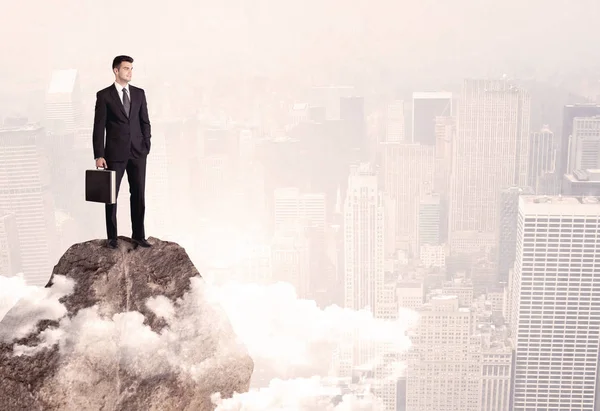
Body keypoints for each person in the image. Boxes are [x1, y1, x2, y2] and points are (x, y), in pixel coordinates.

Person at [92, 55, 152, 249]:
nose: (130, 72)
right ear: (116, 71)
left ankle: (139, 236)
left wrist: (146, 145)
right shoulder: (104, 96)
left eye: (132, 68)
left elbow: (145, 122)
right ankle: (112, 238)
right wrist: (99, 155)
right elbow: (98, 127)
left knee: (139, 195)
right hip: (114, 154)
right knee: (111, 197)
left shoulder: (139, 93)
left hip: (138, 153)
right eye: (126, 68)